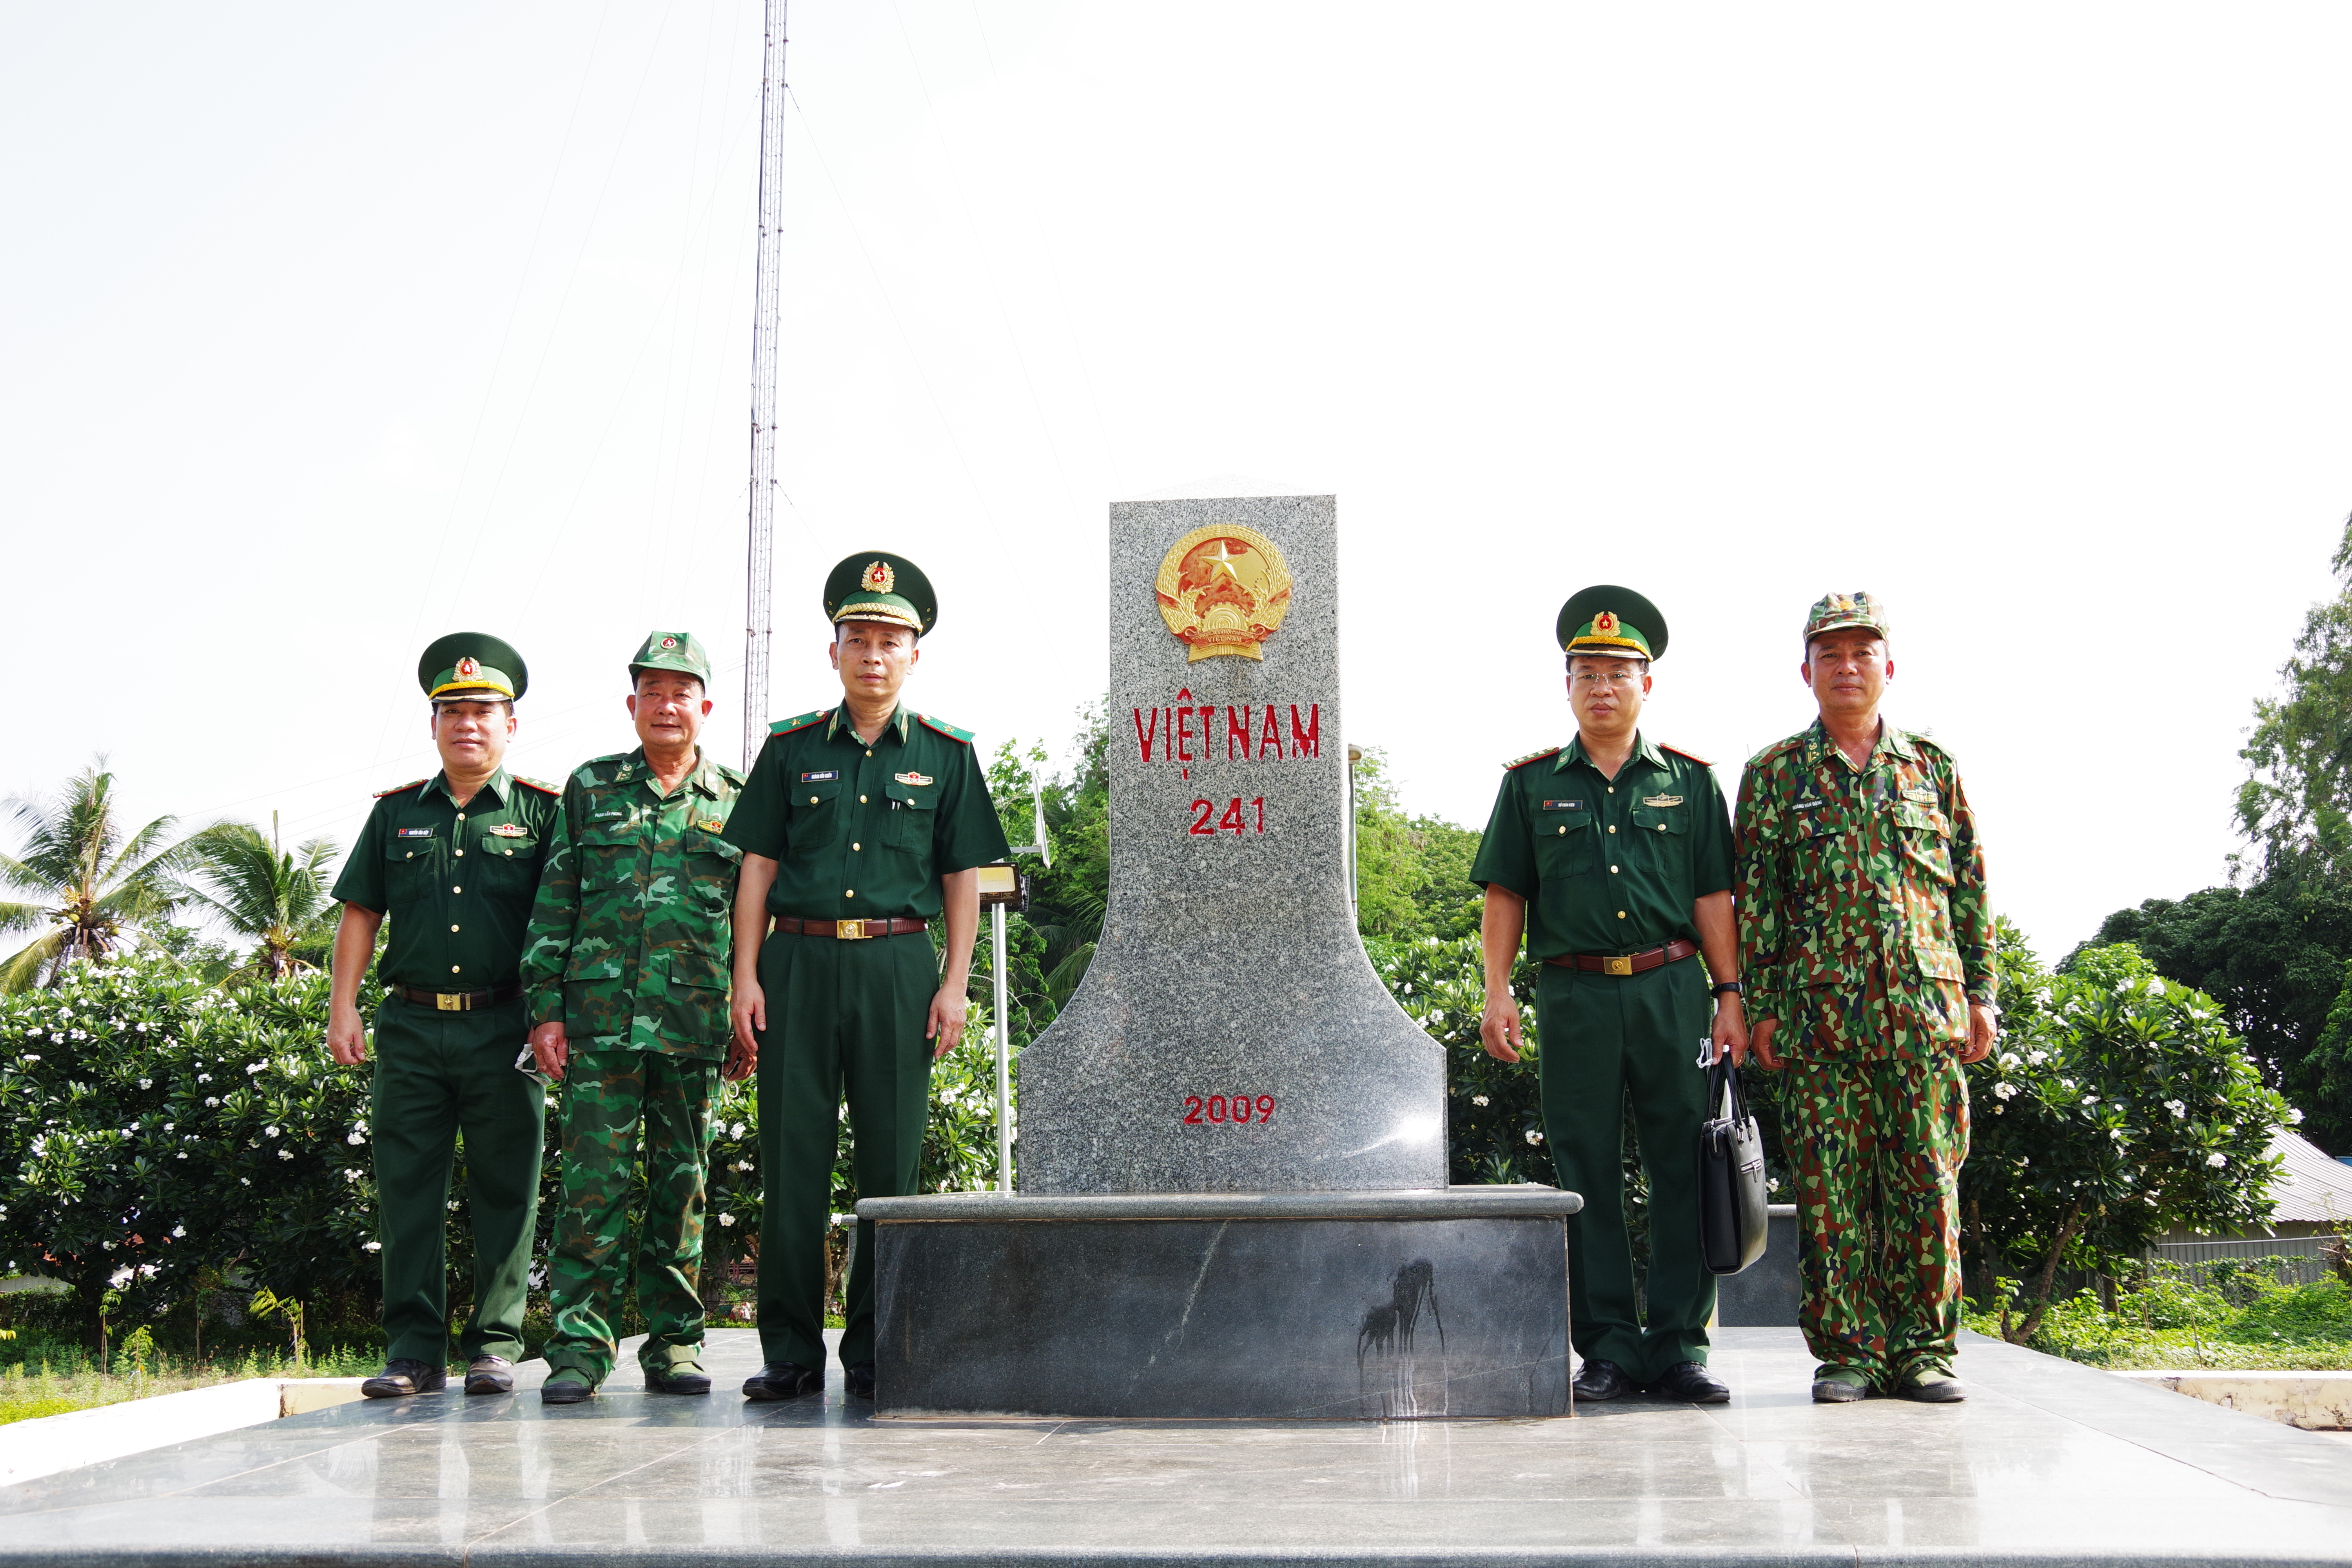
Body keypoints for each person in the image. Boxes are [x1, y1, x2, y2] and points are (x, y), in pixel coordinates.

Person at [719, 554, 1009, 1401]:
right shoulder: (790, 748)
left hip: (897, 965)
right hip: (797, 963)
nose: (873, 654)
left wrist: (954, 982)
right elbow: (758, 868)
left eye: (890, 640)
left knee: (891, 1168)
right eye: (858, 638)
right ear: (834, 649)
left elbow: (962, 875)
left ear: (914, 654)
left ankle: (880, 1345)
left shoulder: (948, 755)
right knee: (792, 1161)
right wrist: (746, 974)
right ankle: (791, 1352)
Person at [1470, 586, 1747, 1405]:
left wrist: (1728, 994)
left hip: (1670, 988)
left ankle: (1678, 1346)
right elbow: (1506, 894)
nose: (1603, 686)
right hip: (1575, 995)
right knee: (1584, 1164)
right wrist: (1498, 991)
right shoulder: (1530, 786)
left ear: (1647, 684)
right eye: (1587, 672)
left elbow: (1711, 899)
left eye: (1619, 672)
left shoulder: (1691, 784)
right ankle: (1607, 1349)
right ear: (1567, 686)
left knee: (1684, 1165)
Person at [1733, 592, 1996, 1405]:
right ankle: (1848, 1352)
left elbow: (1972, 890)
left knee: (1927, 1183)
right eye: (1830, 653)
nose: (1847, 667)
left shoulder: (1933, 766)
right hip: (1820, 1021)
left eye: (1862, 652)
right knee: (1830, 1190)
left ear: (1889, 665)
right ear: (1806, 669)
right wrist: (1765, 1005)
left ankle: (1925, 1350)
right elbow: (1759, 900)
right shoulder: (1775, 774)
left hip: (1924, 1017)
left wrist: (1983, 992)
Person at [327, 634, 561, 1399]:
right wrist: (343, 1007)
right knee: (408, 1190)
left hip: (506, 1028)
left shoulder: (544, 813)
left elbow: (565, 917)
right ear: (432, 724)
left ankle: (494, 1344)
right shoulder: (397, 815)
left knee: (507, 1191)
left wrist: (556, 1015)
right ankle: (413, 1350)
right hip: (413, 1027)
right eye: (452, 710)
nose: (468, 723)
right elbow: (361, 911)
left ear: (511, 723)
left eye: (483, 711)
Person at [520, 632, 749, 1405]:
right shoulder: (591, 787)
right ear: (632, 705)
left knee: (682, 1188)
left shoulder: (737, 800)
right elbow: (558, 899)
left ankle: (676, 1344)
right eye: (652, 690)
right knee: (593, 1189)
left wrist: (752, 1018)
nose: (666, 705)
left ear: (704, 706)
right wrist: (545, 1008)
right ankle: (579, 1350)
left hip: (694, 1026)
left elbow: (759, 922)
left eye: (681, 691)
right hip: (601, 1022)